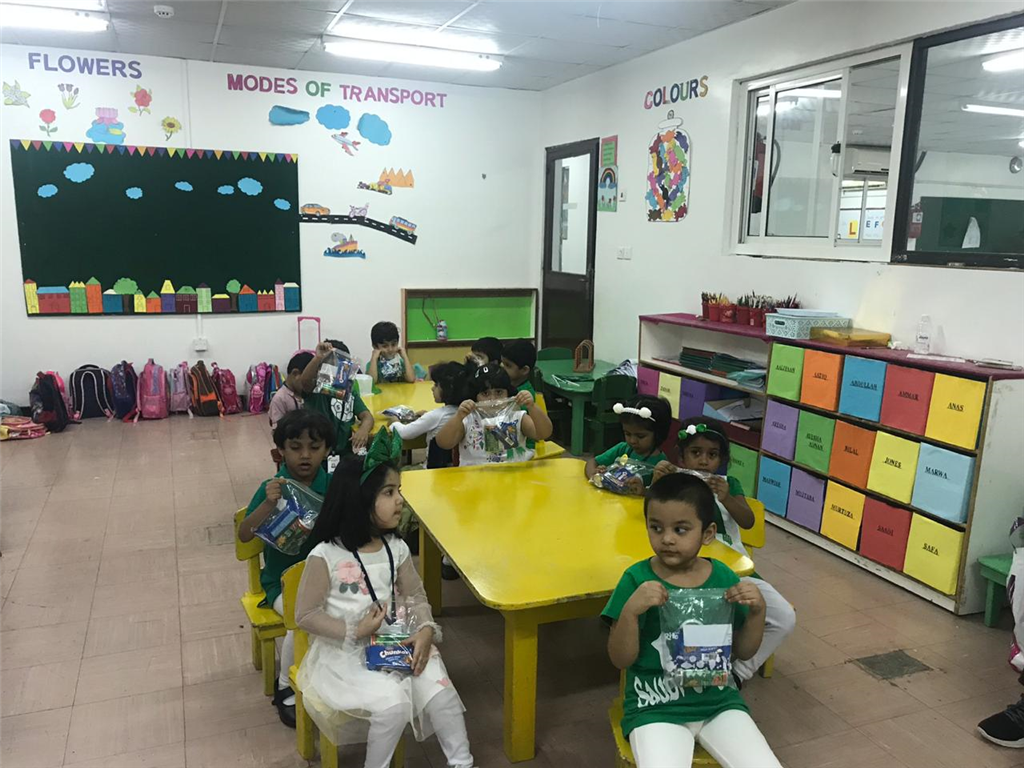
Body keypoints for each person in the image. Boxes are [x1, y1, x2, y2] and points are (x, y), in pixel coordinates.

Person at [294, 430, 474, 768]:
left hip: (395, 641)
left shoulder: (397, 547)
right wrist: (355, 630)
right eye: (389, 492)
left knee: (441, 693)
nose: (400, 500)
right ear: (360, 499)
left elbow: (416, 595)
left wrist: (425, 630)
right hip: (344, 656)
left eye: (399, 491)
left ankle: (462, 762)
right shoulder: (326, 555)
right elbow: (304, 615)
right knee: (393, 705)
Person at [602, 473, 783, 768]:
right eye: (656, 528)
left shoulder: (723, 577)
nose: (667, 539)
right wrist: (630, 612)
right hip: (654, 707)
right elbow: (620, 659)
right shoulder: (635, 580)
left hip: (718, 703)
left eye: (681, 529)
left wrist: (757, 612)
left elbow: (743, 651)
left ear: (707, 533)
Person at [652, 418, 796, 683]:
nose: (703, 461)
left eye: (712, 455)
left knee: (785, 617)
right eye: (696, 453)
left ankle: (739, 673)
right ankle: (690, 675)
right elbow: (651, 521)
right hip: (685, 572)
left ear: (722, 459)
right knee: (689, 618)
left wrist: (727, 497)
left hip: (734, 572)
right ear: (682, 456)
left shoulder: (729, 484)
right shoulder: (674, 484)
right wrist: (655, 483)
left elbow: (748, 521)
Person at [238, 409, 334, 728]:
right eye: (295, 447)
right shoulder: (273, 488)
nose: (305, 455)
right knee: (302, 620)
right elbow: (244, 535)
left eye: (314, 447)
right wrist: (268, 505)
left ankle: (328, 675)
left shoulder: (332, 486)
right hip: (281, 584)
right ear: (280, 450)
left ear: (327, 450)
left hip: (327, 580)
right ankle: (285, 686)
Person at [434, 363, 552, 466]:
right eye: (485, 393)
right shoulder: (468, 419)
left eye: (499, 392)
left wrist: (532, 407)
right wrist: (458, 417)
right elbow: (443, 443)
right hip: (475, 479)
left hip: (513, 477)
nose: (492, 399)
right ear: (475, 396)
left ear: (508, 394)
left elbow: (543, 433)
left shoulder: (516, 416)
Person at [299, 340, 374, 466]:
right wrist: (318, 357)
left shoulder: (349, 391)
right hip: (318, 454)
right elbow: (305, 382)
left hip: (344, 453)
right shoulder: (317, 388)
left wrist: (363, 430)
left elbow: (367, 416)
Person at [585, 395, 672, 494]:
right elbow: (592, 462)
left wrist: (643, 491)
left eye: (640, 436)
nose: (632, 440)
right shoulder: (622, 449)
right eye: (627, 434)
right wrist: (595, 475)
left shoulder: (661, 464)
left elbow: (661, 496)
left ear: (658, 434)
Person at [390, 361, 466, 470]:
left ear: (448, 389)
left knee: (401, 471)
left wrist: (394, 422)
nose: (432, 388)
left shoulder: (436, 415)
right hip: (456, 469)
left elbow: (404, 433)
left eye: (436, 385)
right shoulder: (465, 412)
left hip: (432, 472)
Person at [269, 351, 314, 429]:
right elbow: (277, 430)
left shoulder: (310, 394)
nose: (312, 385)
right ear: (295, 373)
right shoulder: (280, 399)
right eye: (309, 380)